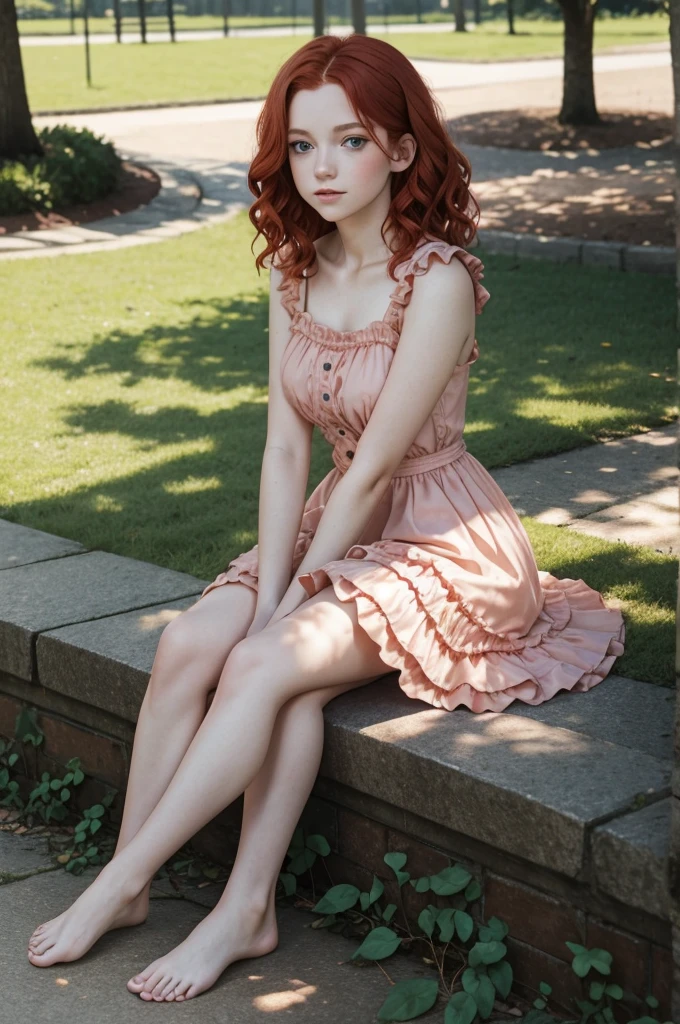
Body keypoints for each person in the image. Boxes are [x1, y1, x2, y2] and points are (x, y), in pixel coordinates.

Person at [26, 32, 625, 1001]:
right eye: (300, 146)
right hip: (330, 513)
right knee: (192, 643)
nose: (321, 168)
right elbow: (282, 448)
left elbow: (380, 462)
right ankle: (233, 903)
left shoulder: (434, 278)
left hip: (437, 535)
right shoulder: (293, 269)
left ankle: (120, 880)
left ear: (396, 149)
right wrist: (273, 578)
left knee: (265, 660)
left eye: (347, 141)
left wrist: (285, 604)